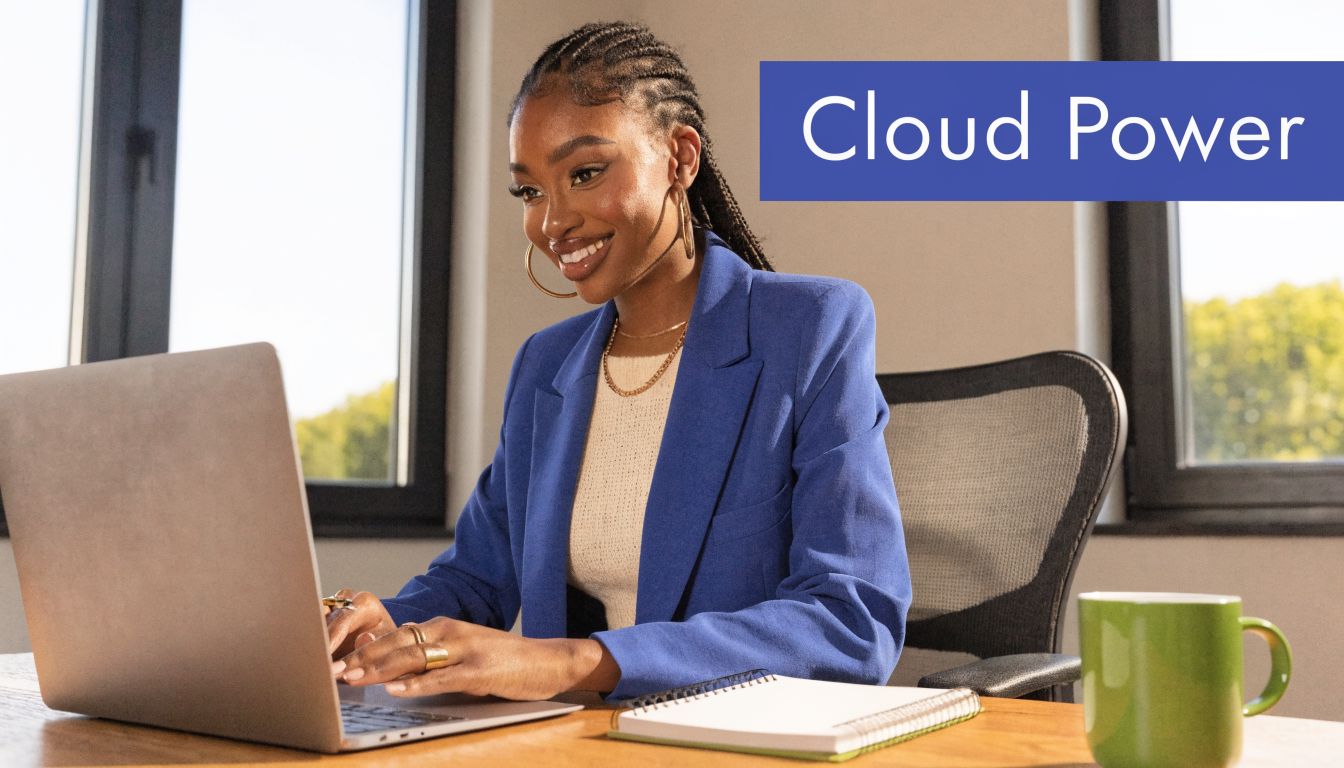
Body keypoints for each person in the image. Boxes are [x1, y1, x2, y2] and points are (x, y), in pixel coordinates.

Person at [325, 21, 910, 702]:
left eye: (584, 173)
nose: (553, 221)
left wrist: (577, 663)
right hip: (576, 740)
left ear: (680, 158)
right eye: (531, 191)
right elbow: (477, 578)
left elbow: (851, 619)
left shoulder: (808, 329)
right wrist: (382, 622)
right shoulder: (547, 366)